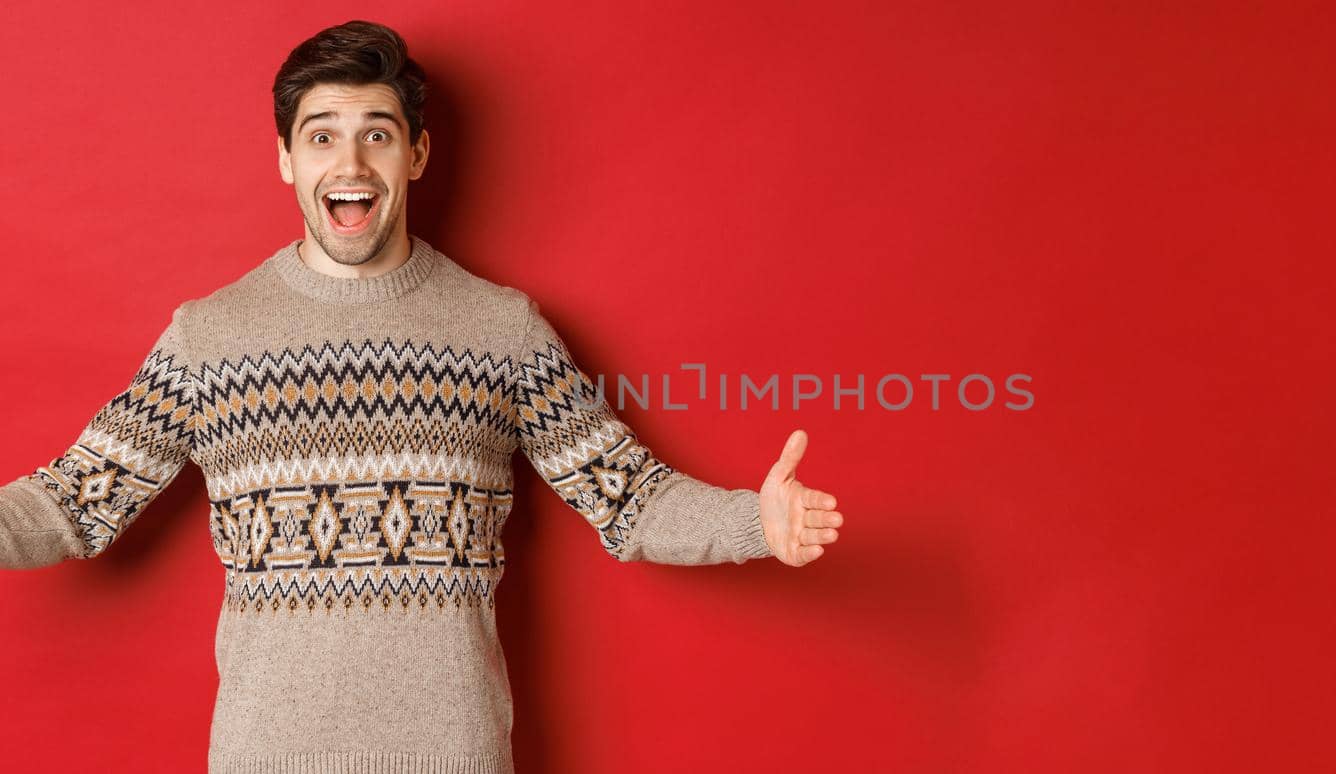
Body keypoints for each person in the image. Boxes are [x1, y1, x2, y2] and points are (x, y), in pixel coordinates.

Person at [0, 19, 844, 773]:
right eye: (322, 135)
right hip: (264, 756)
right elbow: (75, 501)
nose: (351, 161)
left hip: (457, 754)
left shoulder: (501, 329)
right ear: (287, 158)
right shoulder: (208, 338)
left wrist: (754, 524)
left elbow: (629, 500)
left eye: (378, 133)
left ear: (417, 154)